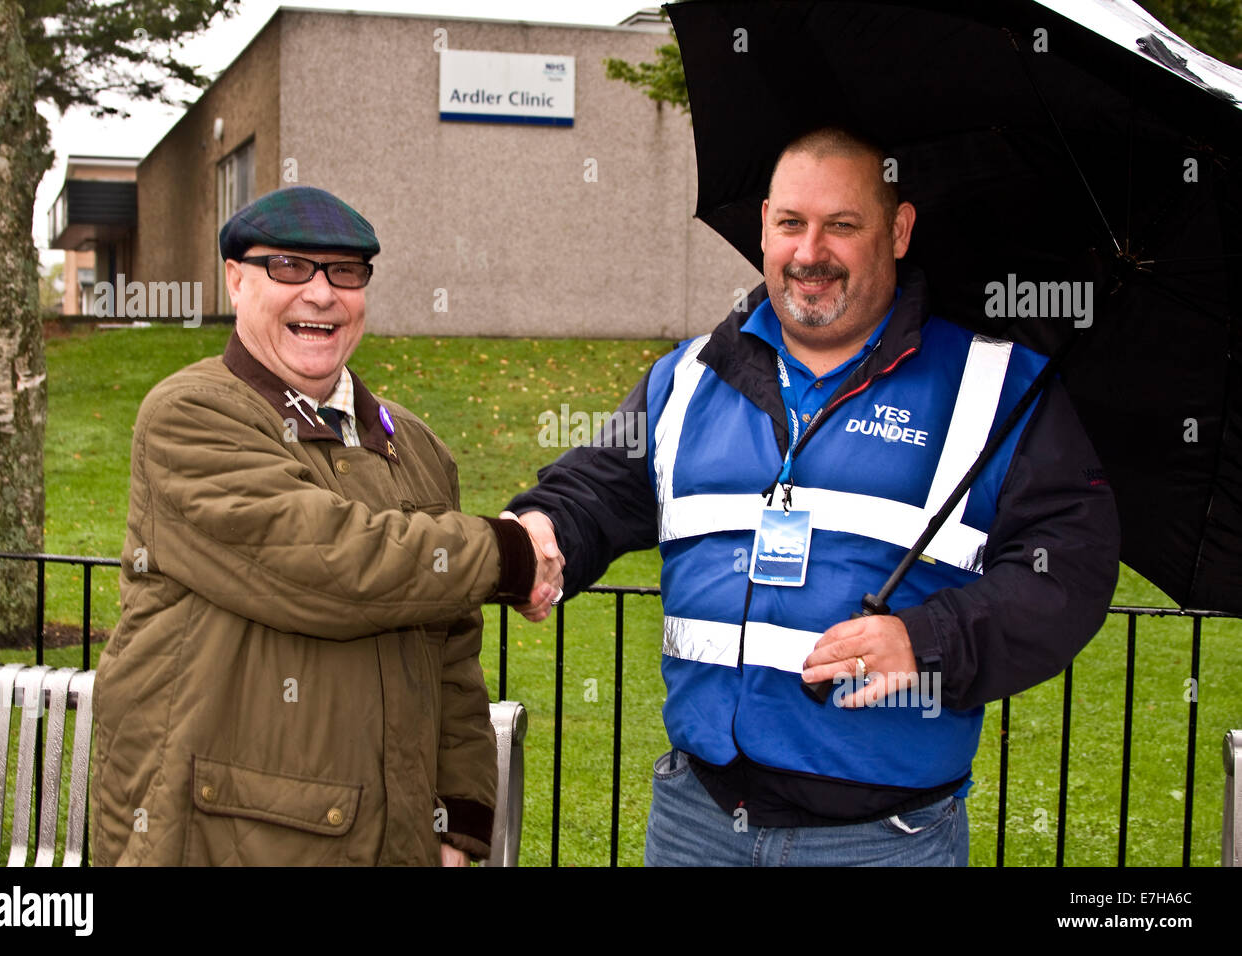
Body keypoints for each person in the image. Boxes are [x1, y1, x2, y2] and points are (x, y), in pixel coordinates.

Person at [506, 128, 1120, 866]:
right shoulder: (689, 377)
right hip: (695, 821)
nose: (809, 252)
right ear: (764, 223)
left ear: (898, 231)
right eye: (792, 223)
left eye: (843, 225)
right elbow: (596, 491)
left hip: (880, 843)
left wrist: (929, 641)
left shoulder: (998, 390)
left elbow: (1071, 570)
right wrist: (542, 529)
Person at [91, 185, 562, 866]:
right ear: (235, 279)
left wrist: (456, 819)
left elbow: (453, 653)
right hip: (219, 835)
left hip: (392, 838)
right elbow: (328, 564)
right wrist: (508, 555)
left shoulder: (415, 445)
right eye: (288, 267)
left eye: (345, 272)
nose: (320, 294)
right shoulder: (191, 414)